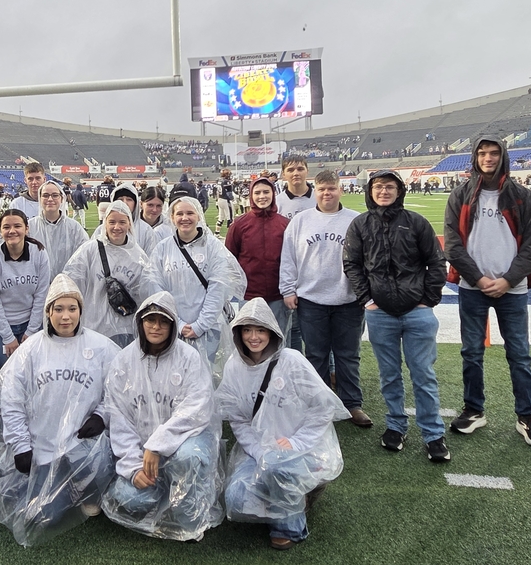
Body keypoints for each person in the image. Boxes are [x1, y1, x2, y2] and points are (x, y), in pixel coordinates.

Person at [0, 275, 120, 547]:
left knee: (98, 469)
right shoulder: (30, 350)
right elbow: (12, 401)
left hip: (83, 445)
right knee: (40, 516)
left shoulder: (101, 347)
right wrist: (21, 446)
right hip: (42, 447)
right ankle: (68, 489)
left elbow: (119, 390)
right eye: (58, 309)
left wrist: (101, 415)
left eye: (72, 308)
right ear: (48, 312)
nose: (65, 316)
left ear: (81, 311)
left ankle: (87, 487)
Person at [444, 136, 531, 448]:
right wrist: (478, 279)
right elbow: (452, 245)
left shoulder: (521, 196)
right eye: (482, 153)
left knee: (519, 354)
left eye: (493, 153)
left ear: (503, 156)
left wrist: (507, 280)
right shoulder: (461, 194)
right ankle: (473, 410)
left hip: (512, 289)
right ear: (474, 157)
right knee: (471, 352)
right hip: (472, 288)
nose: (487, 158)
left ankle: (527, 416)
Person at [217, 298, 348, 551]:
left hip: (300, 449)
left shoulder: (291, 360)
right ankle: (295, 496)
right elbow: (239, 420)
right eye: (247, 330)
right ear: (238, 333)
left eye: (260, 330)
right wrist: (260, 452)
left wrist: (296, 443)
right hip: (260, 449)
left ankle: (289, 525)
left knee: (277, 470)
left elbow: (323, 407)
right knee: (236, 498)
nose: (253, 337)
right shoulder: (234, 366)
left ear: (272, 332)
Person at [343, 170, 449, 462]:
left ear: (399, 190)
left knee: (423, 375)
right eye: (378, 186)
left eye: (389, 186)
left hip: (417, 312)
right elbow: (352, 264)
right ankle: (395, 425)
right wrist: (367, 300)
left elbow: (436, 261)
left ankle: (433, 433)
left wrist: (428, 300)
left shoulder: (416, 222)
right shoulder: (360, 224)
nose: (384, 191)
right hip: (380, 314)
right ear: (370, 191)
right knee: (389, 375)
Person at [101, 292, 223, 541]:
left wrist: (157, 444)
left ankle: (188, 517)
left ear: (173, 325)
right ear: (140, 322)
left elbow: (196, 410)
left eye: (163, 321)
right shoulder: (123, 362)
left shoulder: (189, 358)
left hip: (184, 443)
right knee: (129, 498)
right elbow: (119, 419)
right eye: (150, 320)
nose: (156, 327)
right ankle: (166, 491)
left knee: (189, 457)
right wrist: (133, 467)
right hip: (144, 454)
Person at [280, 170, 372, 428]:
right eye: (321, 189)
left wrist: (365, 293)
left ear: (340, 190)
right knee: (316, 355)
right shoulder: (300, 221)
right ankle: (319, 404)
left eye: (331, 188)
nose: (327, 193)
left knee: (348, 355)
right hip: (311, 300)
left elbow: (367, 259)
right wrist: (288, 289)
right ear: (315, 191)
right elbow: (288, 257)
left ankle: (351, 403)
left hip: (348, 300)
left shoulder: (355, 220)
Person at [150, 196, 246, 366]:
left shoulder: (213, 246)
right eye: (179, 214)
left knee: (205, 374)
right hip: (171, 327)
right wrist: (177, 323)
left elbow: (218, 288)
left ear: (198, 216)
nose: (184, 218)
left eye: (190, 213)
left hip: (209, 328)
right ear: (172, 217)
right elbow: (156, 288)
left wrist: (200, 325)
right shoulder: (162, 248)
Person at [64, 200, 157, 348]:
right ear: (105, 223)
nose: (116, 227)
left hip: (125, 329)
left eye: (122, 222)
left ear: (129, 224)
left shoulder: (138, 256)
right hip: (93, 327)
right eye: (112, 222)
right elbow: (71, 283)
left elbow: (145, 295)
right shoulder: (89, 250)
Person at [0, 209, 51, 368]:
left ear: (26, 228)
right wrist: (8, 337)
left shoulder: (39, 253)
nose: (12, 231)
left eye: (17, 226)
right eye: (6, 227)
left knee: (33, 371)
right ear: (0, 231)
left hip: (30, 321)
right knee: (8, 373)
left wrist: (31, 331)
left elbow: (41, 295)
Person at [225, 176, 290, 341]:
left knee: (278, 340)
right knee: (251, 341)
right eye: (258, 192)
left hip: (278, 295)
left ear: (273, 194)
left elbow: (292, 260)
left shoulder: (285, 224)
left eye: (266, 192)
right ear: (251, 195)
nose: (262, 196)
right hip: (249, 295)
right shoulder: (239, 225)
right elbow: (229, 259)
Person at [28, 180, 88, 275]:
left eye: (55, 195)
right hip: (37, 282)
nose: (50, 199)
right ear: (40, 198)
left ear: (62, 198)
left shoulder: (74, 227)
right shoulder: (30, 227)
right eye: (45, 195)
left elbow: (84, 255)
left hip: (67, 281)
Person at [276, 154, 314, 220]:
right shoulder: (277, 203)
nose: (296, 173)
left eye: (300, 169)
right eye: (290, 170)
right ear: (283, 174)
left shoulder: (320, 198)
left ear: (307, 171)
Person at [137, 185, 173, 253]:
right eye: (150, 205)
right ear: (141, 204)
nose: (154, 210)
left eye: (159, 206)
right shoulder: (132, 225)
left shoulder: (169, 225)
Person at [213, 169, 235, 237]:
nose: (229, 175)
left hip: (220, 199)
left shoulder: (219, 180)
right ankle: (231, 236)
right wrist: (232, 199)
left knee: (221, 217)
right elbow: (229, 193)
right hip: (226, 200)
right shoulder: (226, 181)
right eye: (229, 174)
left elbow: (216, 191)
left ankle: (216, 233)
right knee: (230, 218)